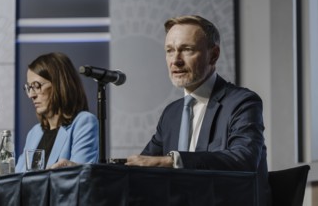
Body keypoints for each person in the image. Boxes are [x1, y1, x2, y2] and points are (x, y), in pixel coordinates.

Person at [125, 15, 271, 205]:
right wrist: (86, 170)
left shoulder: (242, 102)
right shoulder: (171, 114)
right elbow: (142, 165)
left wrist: (173, 161)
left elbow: (243, 159)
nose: (175, 61)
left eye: (187, 49)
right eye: (169, 51)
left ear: (214, 54)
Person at [15, 52, 99, 172]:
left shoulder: (84, 122)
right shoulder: (34, 132)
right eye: (29, 88)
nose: (31, 95)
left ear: (59, 84)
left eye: (36, 86)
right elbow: (18, 178)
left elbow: (81, 179)